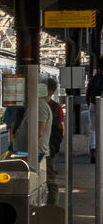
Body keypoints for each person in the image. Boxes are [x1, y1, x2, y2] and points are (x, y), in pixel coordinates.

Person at [45, 78, 63, 206]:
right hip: (47, 146)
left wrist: (54, 147)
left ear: (50, 91)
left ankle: (52, 205)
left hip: (48, 147)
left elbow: (60, 129)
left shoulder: (55, 107)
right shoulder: (55, 107)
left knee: (50, 177)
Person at [87, 65, 103, 162]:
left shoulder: (94, 79)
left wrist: (89, 103)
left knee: (93, 128)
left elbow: (88, 92)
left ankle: (93, 148)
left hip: (93, 104)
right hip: (101, 105)